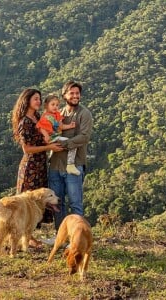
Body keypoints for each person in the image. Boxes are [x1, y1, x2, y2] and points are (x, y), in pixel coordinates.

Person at [11, 88, 63, 248]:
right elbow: (27, 149)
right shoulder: (24, 122)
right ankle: (26, 238)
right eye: (35, 99)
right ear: (27, 101)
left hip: (40, 165)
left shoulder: (38, 117)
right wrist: (49, 148)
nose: (39, 102)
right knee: (27, 201)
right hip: (30, 167)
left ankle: (29, 236)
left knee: (37, 201)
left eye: (40, 99)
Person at [48, 81, 93, 241]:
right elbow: (49, 132)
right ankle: (60, 237)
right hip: (55, 164)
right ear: (64, 95)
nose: (75, 96)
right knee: (57, 203)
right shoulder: (58, 113)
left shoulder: (84, 114)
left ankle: (76, 238)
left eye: (77, 93)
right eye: (71, 93)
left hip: (75, 165)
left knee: (75, 203)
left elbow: (84, 137)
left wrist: (63, 143)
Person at [36, 94, 80, 176]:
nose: (55, 107)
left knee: (70, 144)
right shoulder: (45, 116)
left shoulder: (57, 115)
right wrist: (46, 136)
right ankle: (70, 165)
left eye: (57, 105)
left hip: (56, 137)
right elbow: (41, 127)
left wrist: (70, 126)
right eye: (52, 104)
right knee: (72, 143)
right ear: (46, 106)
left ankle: (68, 164)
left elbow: (61, 126)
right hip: (51, 138)